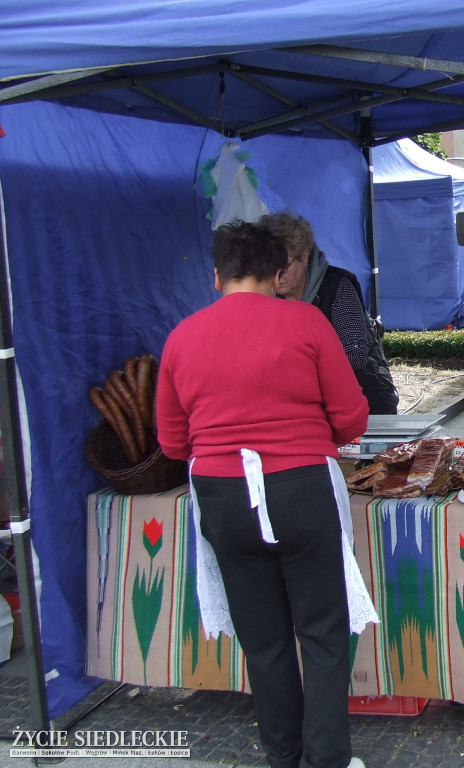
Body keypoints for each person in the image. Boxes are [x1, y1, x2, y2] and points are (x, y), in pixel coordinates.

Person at [156, 220, 370, 768]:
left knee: (264, 641)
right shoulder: (305, 320)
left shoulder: (181, 337)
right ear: (279, 274)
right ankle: (326, 761)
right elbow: (351, 419)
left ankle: (283, 757)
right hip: (300, 488)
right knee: (322, 636)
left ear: (216, 276)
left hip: (222, 495)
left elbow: (173, 440)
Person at [263, 212, 400, 415]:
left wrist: (296, 370)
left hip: (365, 401)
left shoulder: (338, 286)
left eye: (283, 267)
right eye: (268, 266)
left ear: (304, 257)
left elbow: (354, 354)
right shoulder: (269, 296)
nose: (276, 276)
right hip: (306, 409)